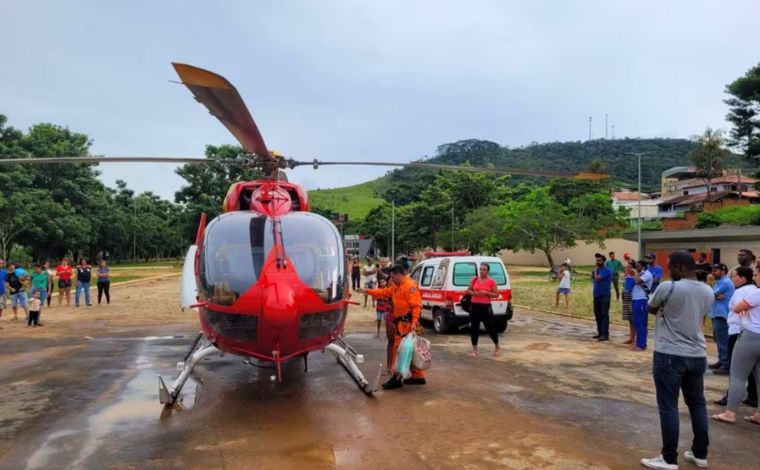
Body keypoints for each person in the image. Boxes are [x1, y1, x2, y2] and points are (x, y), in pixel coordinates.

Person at [640, 251, 713, 470]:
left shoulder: (668, 287)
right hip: (698, 354)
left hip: (669, 354)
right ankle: (700, 454)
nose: (669, 271)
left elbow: (651, 308)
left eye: (671, 267)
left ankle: (669, 458)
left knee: (668, 406)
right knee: (698, 404)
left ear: (680, 268)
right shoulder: (707, 291)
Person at [361, 264, 425, 390]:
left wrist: (413, 323)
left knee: (398, 350)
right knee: (410, 351)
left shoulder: (409, 286)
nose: (391, 280)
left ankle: (396, 378)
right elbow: (383, 292)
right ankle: (418, 376)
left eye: (393, 277)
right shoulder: (396, 287)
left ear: (399, 275)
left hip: (407, 325)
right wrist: (367, 291)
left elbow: (417, 306)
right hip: (402, 324)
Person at [712, 263, 760, 426]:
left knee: (738, 375)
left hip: (750, 335)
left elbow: (737, 308)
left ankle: (730, 412)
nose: (754, 278)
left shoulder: (755, 294)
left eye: (756, 275)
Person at [466, 263, 501, 357]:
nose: (482, 271)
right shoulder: (474, 279)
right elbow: (468, 290)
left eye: (484, 269)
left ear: (488, 271)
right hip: (474, 306)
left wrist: (486, 293)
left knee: (490, 327)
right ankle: (475, 350)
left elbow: (496, 294)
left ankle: (497, 346)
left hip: (486, 307)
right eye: (480, 269)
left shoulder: (491, 281)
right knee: (474, 328)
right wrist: (474, 294)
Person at [709, 263, 734, 375]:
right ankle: (721, 360)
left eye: (716, 270)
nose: (713, 272)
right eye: (713, 270)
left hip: (722, 315)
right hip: (716, 314)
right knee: (718, 340)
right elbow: (714, 296)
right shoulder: (720, 282)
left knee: (723, 340)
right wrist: (716, 296)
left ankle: (726, 365)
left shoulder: (725, 282)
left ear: (723, 271)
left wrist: (709, 282)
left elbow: (709, 295)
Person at [631, 259, 653, 351]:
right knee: (639, 322)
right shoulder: (641, 273)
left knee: (640, 323)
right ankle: (641, 343)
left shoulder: (647, 274)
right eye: (636, 266)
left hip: (641, 300)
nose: (636, 268)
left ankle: (641, 344)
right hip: (636, 299)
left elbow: (637, 281)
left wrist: (635, 273)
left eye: (638, 266)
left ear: (643, 267)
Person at [592, 254, 612, 341]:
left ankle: (605, 334)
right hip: (596, 294)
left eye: (599, 260)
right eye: (597, 260)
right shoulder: (598, 270)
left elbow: (597, 279)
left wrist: (595, 271)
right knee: (597, 314)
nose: (597, 262)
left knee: (604, 314)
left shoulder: (606, 270)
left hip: (605, 295)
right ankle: (600, 332)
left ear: (603, 261)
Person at [622, 260, 636, 345]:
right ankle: (631, 337)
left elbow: (632, 289)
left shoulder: (633, 277)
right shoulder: (627, 276)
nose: (628, 268)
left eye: (630, 267)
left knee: (633, 318)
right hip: (626, 295)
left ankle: (634, 338)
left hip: (631, 297)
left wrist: (630, 301)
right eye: (627, 267)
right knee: (629, 319)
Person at [0, 258, 6, 327]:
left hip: (2, 293)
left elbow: (4, 282)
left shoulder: (4, 272)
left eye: (1, 263)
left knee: (1, 309)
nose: (1, 264)